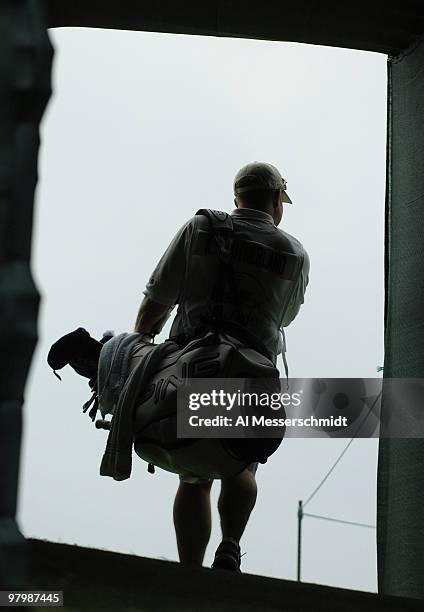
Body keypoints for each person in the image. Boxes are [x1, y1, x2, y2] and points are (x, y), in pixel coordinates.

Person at [134, 161, 310, 571]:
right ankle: (230, 545)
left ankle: (191, 572)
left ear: (236, 200)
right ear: (275, 202)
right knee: (241, 461)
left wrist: (141, 345)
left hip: (196, 364)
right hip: (253, 372)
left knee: (193, 475)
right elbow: (287, 317)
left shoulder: (201, 229)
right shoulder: (293, 252)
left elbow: (157, 299)